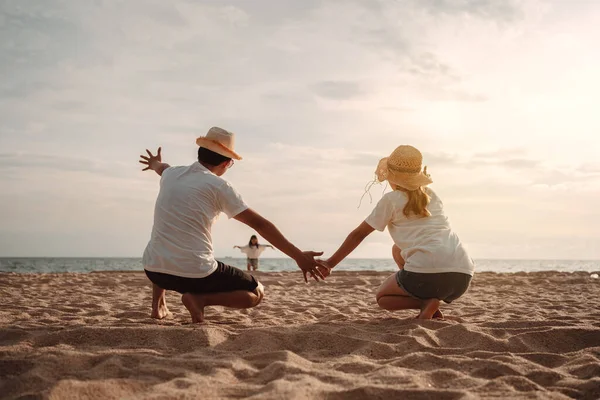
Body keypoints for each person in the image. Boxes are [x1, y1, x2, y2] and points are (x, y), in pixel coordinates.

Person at [139, 127, 326, 323]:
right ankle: (200, 299)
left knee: (166, 238)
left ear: (200, 153)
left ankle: (157, 306)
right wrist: (298, 256)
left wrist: (154, 163)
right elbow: (260, 225)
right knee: (256, 292)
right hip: (195, 273)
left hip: (153, 270)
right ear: (227, 163)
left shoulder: (172, 174)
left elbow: (162, 167)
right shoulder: (220, 186)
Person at [319, 145, 474, 319]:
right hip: (462, 275)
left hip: (426, 274)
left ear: (392, 177)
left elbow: (359, 234)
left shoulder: (391, 200)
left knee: (383, 298)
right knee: (397, 249)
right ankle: (431, 303)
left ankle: (425, 302)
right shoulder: (432, 196)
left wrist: (330, 263)